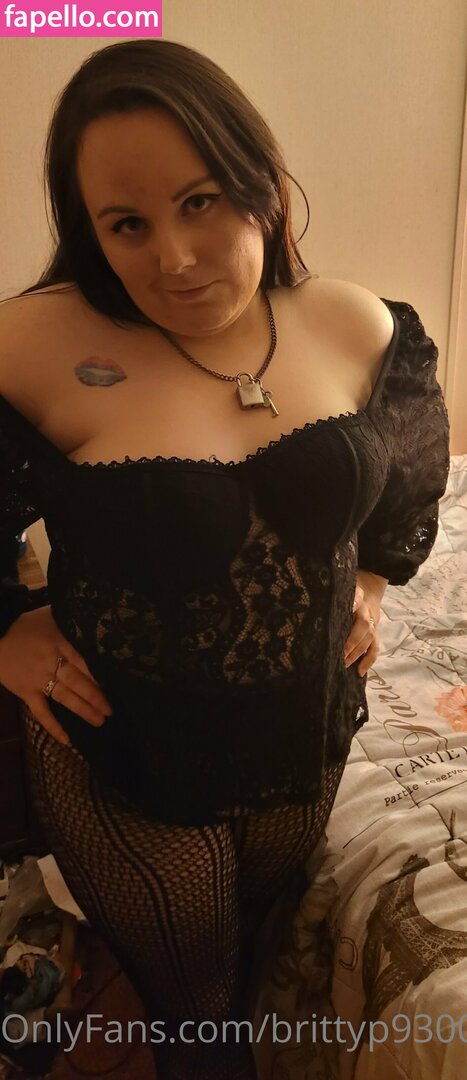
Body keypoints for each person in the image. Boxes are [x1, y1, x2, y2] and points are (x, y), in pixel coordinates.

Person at [0, 38, 450, 1079]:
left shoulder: (355, 324)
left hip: (303, 740)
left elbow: (411, 470)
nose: (174, 258)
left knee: (250, 975)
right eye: (127, 224)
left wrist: (373, 581)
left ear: (262, 184)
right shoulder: (33, 344)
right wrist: (6, 627)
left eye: (199, 202)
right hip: (123, 755)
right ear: (90, 232)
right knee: (198, 1029)